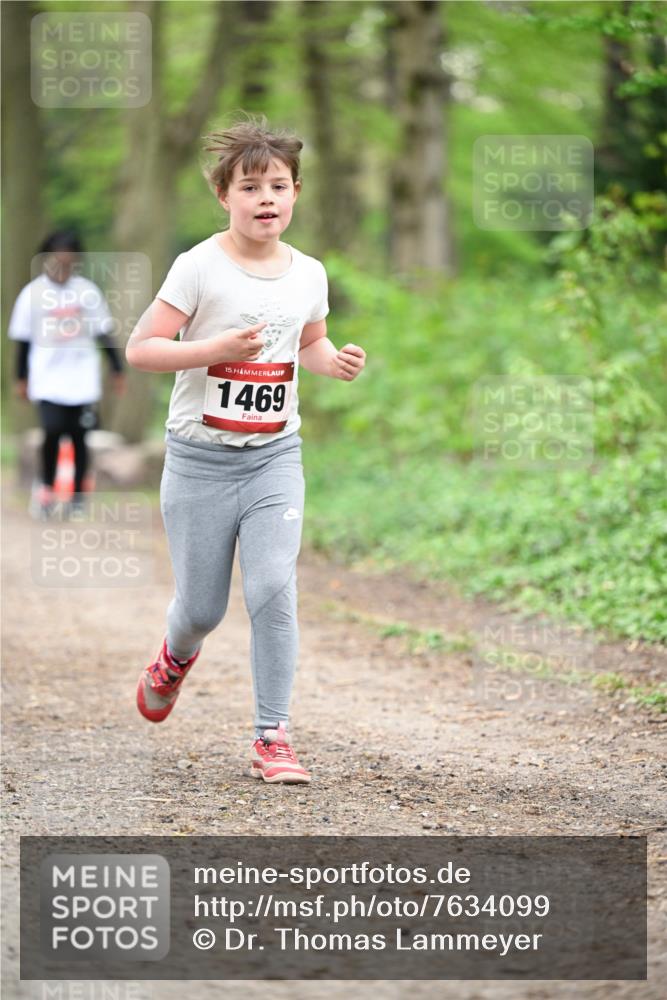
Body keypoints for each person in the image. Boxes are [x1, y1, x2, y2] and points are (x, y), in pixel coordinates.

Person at [127, 115, 366, 784]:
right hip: (199, 459)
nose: (267, 199)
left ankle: (272, 736)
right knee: (202, 608)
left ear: (296, 195)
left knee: (270, 587)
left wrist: (334, 362)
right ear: (224, 196)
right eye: (251, 186)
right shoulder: (198, 267)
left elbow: (309, 344)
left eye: (279, 186)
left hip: (273, 458)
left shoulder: (308, 273)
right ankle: (173, 658)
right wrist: (212, 351)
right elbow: (141, 349)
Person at [9, 229, 127, 518]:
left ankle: (76, 496)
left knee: (79, 437)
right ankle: (47, 490)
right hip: (47, 377)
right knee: (51, 432)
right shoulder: (32, 294)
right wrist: (21, 378)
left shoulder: (87, 293)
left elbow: (103, 333)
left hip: (81, 377)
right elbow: (23, 341)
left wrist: (117, 369)